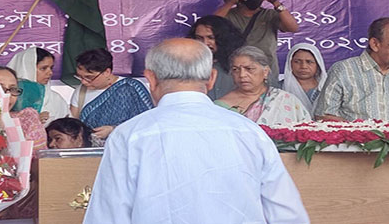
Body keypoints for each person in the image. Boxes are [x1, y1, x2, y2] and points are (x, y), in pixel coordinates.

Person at [83, 38, 309, 224]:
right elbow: (287, 214)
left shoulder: (130, 135)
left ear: (150, 79)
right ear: (212, 78)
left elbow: (108, 216)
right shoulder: (249, 132)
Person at [214, 0, 299, 85]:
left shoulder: (270, 15)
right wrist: (230, 2)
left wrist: (275, 2)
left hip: (266, 73)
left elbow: (293, 28)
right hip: (235, 75)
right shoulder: (228, 15)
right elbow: (212, 26)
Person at [0, 66, 46, 222]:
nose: (8, 95)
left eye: (13, 89)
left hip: (17, 212)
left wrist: (7, 201)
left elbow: (40, 169)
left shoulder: (26, 120)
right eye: (0, 88)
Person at [70, 48, 153, 143]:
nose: (84, 82)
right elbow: (73, 127)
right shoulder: (81, 91)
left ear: (107, 72)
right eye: (80, 77)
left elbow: (147, 121)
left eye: (89, 77)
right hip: (92, 153)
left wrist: (113, 129)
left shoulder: (131, 87)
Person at [215, 46, 312, 125]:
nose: (242, 75)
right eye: (236, 69)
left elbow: (306, 132)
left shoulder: (284, 99)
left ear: (265, 72)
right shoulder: (219, 106)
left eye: (249, 69)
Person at [6, 47, 70, 126]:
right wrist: (32, 122)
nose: (50, 73)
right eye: (43, 68)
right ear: (27, 68)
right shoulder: (7, 96)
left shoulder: (55, 99)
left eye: (51, 68)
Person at [188, 15, 245, 100]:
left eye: (210, 38)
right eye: (199, 38)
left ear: (224, 38)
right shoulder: (188, 65)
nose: (205, 43)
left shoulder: (241, 63)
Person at [281, 43, 328, 117]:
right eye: (297, 62)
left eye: (309, 62)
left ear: (318, 64)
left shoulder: (328, 88)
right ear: (290, 64)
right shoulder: (278, 89)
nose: (303, 66)